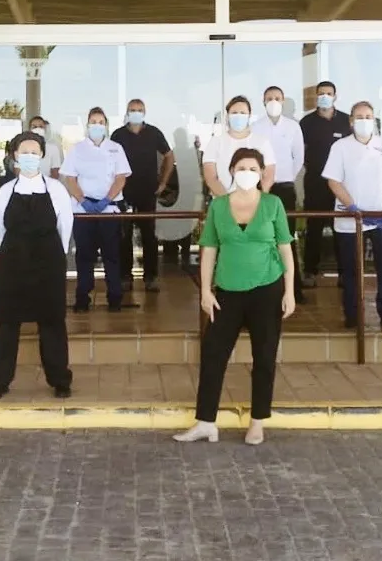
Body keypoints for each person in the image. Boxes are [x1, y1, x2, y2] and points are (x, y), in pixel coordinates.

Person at [174, 148, 295, 446]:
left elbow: (285, 249)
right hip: (227, 291)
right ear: (231, 170)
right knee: (214, 353)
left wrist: (290, 291)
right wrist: (205, 290)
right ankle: (205, 421)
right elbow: (209, 249)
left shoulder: (273, 204)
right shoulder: (218, 206)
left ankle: (257, 422)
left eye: (253, 168)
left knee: (264, 356)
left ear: (262, 172)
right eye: (241, 167)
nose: (247, 173)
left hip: (268, 288)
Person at [0, 132, 75, 400]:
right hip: (13, 262)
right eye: (23, 152)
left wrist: (54, 256)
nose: (29, 157)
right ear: (14, 156)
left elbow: (65, 227)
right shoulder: (4, 191)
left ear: (42, 155)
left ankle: (60, 380)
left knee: (52, 322)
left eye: (34, 152)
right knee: (7, 324)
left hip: (48, 262)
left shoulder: (57, 190)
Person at [323, 101, 382, 329]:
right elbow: (333, 180)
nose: (364, 121)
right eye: (359, 117)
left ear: (374, 120)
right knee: (351, 270)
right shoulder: (340, 147)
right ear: (351, 122)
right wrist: (352, 208)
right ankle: (352, 315)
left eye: (368, 116)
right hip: (351, 220)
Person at [60, 107, 132, 312]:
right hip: (84, 211)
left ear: (106, 125)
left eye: (101, 122)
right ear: (87, 125)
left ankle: (115, 297)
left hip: (108, 209)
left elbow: (121, 178)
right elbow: (70, 178)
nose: (97, 126)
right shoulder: (77, 149)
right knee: (84, 255)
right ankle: (82, 297)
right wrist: (83, 201)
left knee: (111, 255)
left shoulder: (116, 148)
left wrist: (106, 200)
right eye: (93, 122)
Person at [111, 99, 175, 292]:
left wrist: (163, 182)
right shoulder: (118, 135)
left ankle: (151, 277)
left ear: (145, 112)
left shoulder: (154, 133)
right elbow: (108, 159)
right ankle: (125, 277)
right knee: (124, 236)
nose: (136, 113)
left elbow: (169, 156)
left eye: (139, 110)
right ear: (127, 113)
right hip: (124, 192)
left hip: (148, 192)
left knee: (149, 235)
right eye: (132, 110)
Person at [250, 86, 306, 303]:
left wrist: (286, 178)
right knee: (262, 237)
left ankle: (294, 288)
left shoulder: (293, 127)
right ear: (263, 102)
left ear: (283, 102)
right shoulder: (256, 127)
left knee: (286, 237)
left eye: (277, 98)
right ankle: (263, 285)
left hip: (284, 188)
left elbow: (298, 157)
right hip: (261, 188)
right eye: (269, 98)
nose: (273, 102)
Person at [299, 82, 352, 287]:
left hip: (341, 184)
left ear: (335, 96)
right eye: (321, 94)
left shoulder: (346, 121)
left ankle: (344, 273)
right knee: (314, 226)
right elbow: (301, 152)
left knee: (341, 227)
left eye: (328, 94)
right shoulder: (306, 122)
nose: (325, 97)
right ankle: (310, 272)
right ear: (316, 96)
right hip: (315, 182)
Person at [202, 96, 276, 196]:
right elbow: (210, 177)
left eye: (243, 113)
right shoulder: (216, 142)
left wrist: (258, 199)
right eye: (234, 113)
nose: (238, 116)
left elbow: (268, 175)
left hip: (254, 203)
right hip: (223, 202)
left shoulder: (262, 142)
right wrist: (227, 202)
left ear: (249, 115)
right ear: (227, 115)